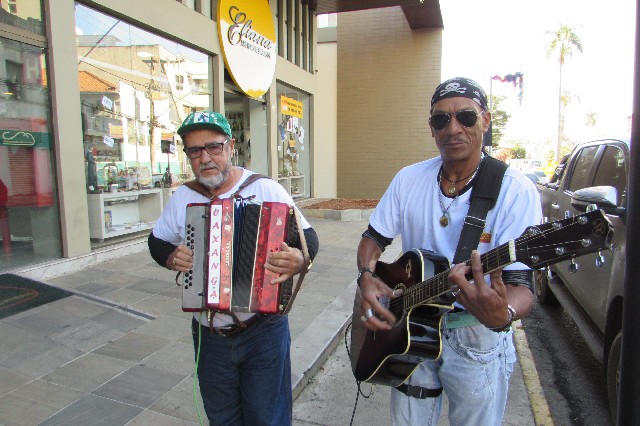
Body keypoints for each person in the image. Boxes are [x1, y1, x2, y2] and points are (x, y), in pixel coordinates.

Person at [356, 77, 542, 425]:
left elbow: (520, 286)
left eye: (466, 117)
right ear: (431, 127)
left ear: (485, 121)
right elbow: (373, 238)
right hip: (410, 328)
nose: (453, 128)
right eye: (441, 119)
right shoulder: (409, 179)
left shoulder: (515, 191)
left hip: (477, 336)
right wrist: (367, 275)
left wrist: (504, 314)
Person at [148, 111, 319, 425]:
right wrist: (170, 257)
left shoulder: (266, 188)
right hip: (210, 333)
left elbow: (308, 238)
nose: (205, 158)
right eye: (195, 151)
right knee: (222, 420)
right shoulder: (184, 197)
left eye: (213, 147)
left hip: (263, 330)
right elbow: (156, 241)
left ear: (230, 146)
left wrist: (298, 259)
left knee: (268, 419)